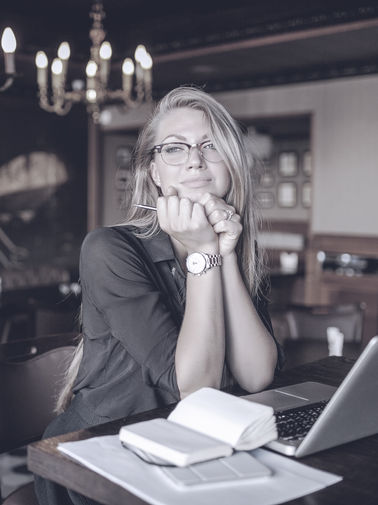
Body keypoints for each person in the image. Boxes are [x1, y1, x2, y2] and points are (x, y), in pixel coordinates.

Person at [35, 85, 283, 505]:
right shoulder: (109, 249)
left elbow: (257, 375)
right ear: (153, 171)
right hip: (101, 452)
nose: (194, 160)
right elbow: (196, 387)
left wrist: (223, 256)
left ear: (232, 165)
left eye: (210, 146)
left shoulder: (236, 246)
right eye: (175, 148)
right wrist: (204, 252)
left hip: (194, 444)